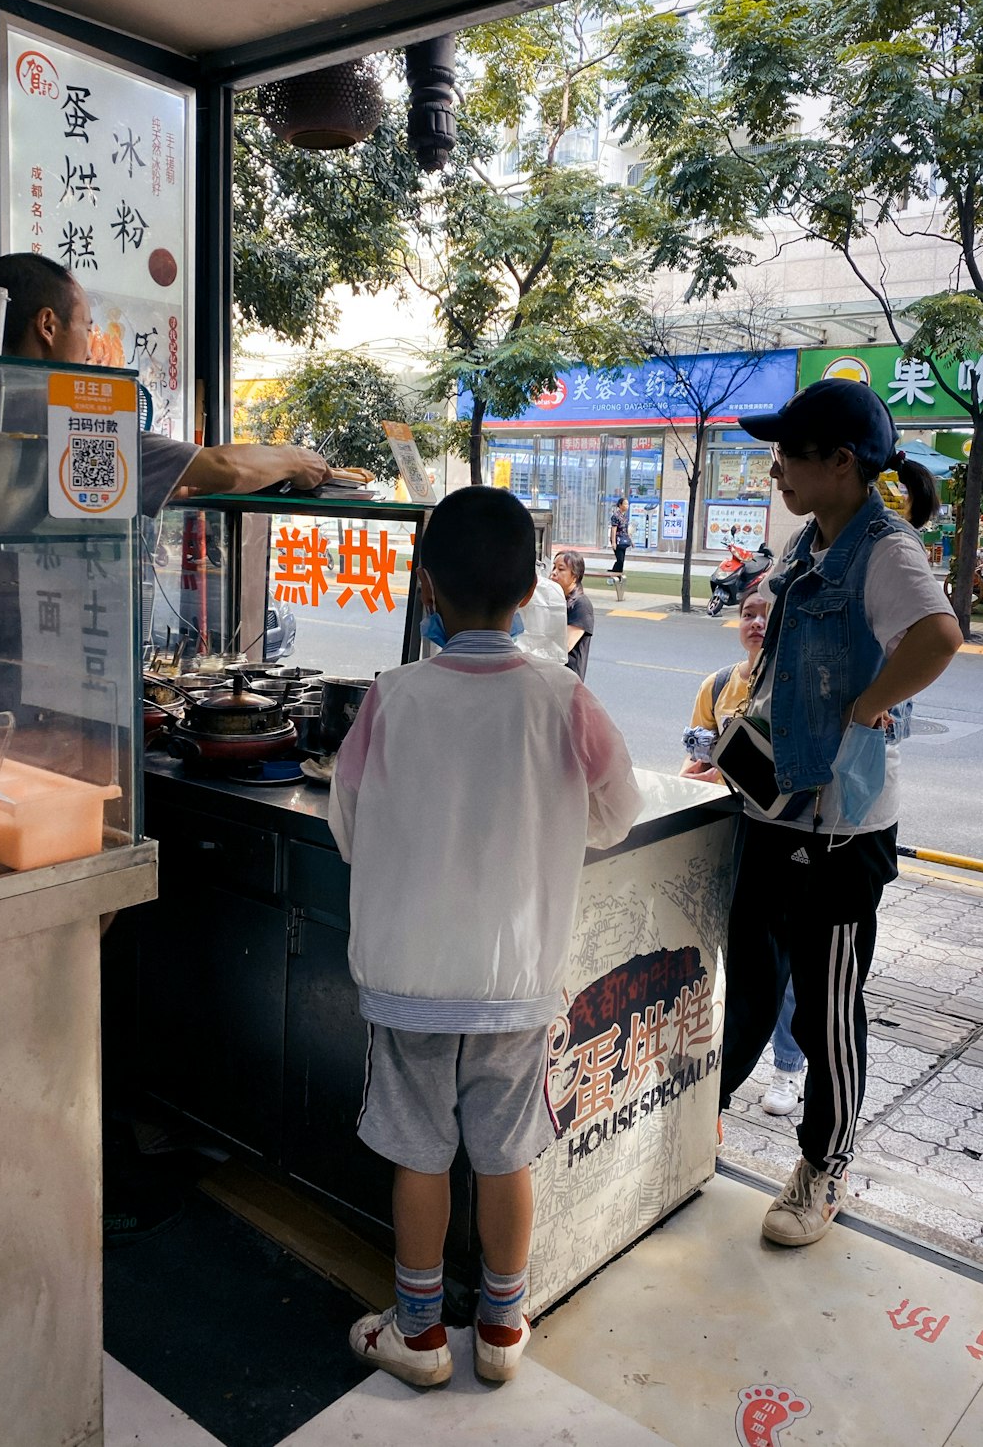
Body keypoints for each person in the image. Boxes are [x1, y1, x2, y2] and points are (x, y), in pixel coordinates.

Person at [328, 487, 640, 1388]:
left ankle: (419, 1336)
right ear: (531, 591)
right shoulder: (562, 697)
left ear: (428, 589)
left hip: (407, 981)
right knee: (508, 1152)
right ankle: (502, 1331)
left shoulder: (391, 699)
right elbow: (616, 814)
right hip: (514, 985)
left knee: (419, 1154)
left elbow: (350, 828)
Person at [717, 379, 961, 1247]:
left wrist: (865, 708)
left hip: (842, 829)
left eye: (789, 451)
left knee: (826, 1008)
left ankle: (824, 1166)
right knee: (748, 989)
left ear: (840, 462)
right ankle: (694, 1123)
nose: (775, 466)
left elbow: (938, 638)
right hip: (775, 804)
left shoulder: (884, 550)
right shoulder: (810, 541)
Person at [0, 254, 330, 514]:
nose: (91, 349)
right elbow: (225, 470)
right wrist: (295, 459)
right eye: (86, 327)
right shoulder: (61, 416)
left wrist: (167, 481)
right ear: (47, 326)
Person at [679, 582, 807, 1116]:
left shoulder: (795, 686)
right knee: (746, 963)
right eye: (747, 614)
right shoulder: (716, 686)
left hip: (784, 841)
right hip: (729, 840)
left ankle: (786, 1068)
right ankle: (721, 1074)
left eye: (766, 615)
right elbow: (692, 764)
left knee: (787, 966)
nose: (756, 623)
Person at [550, 549, 595, 679]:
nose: (553, 573)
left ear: (575, 576)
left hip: (567, 679)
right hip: (550, 674)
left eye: (561, 569)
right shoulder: (556, 599)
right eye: (554, 567)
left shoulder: (581, 605)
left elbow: (565, 645)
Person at [609, 495, 632, 576]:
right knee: (620, 559)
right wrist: (613, 542)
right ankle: (615, 574)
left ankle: (616, 574)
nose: (627, 506)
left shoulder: (625, 516)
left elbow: (626, 529)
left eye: (628, 504)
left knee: (621, 559)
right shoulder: (615, 516)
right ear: (620, 505)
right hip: (617, 540)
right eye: (625, 504)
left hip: (624, 540)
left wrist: (631, 540)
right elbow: (613, 529)